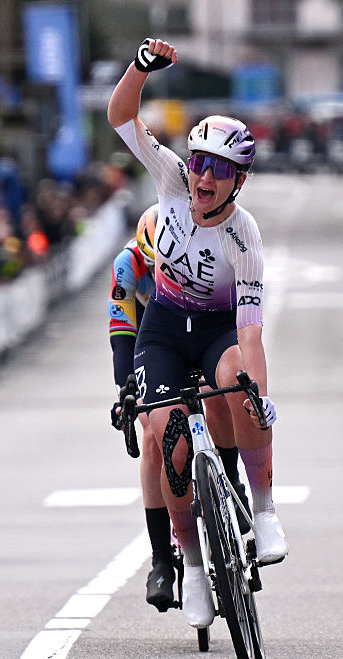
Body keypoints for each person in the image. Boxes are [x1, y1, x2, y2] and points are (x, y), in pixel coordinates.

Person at [107, 37, 286, 630]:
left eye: (220, 170)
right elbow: (120, 117)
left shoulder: (245, 237)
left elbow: (251, 332)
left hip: (214, 330)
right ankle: (188, 563)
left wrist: (257, 392)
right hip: (162, 329)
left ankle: (261, 509)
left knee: (240, 383)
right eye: (200, 163)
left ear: (239, 180)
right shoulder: (172, 180)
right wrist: (140, 69)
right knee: (167, 436)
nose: (205, 178)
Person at [108, 205, 248, 611]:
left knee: (218, 395)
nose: (162, 275)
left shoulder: (202, 254)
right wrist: (126, 390)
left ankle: (232, 479)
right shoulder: (126, 266)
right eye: (154, 268)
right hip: (157, 345)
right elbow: (121, 331)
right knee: (155, 435)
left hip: (203, 336)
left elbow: (236, 318)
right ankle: (161, 558)